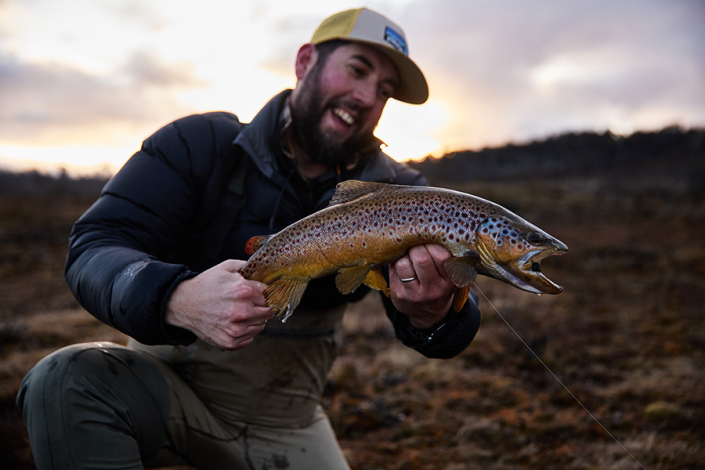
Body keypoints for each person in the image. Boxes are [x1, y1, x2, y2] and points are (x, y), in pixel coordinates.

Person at [17, 8, 481, 470]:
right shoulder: (197, 145)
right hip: (163, 393)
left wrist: (434, 314)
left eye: (384, 91)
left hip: (288, 426)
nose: (366, 97)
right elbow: (95, 244)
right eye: (358, 70)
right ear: (305, 63)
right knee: (63, 381)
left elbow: (447, 331)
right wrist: (174, 296)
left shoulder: (403, 194)